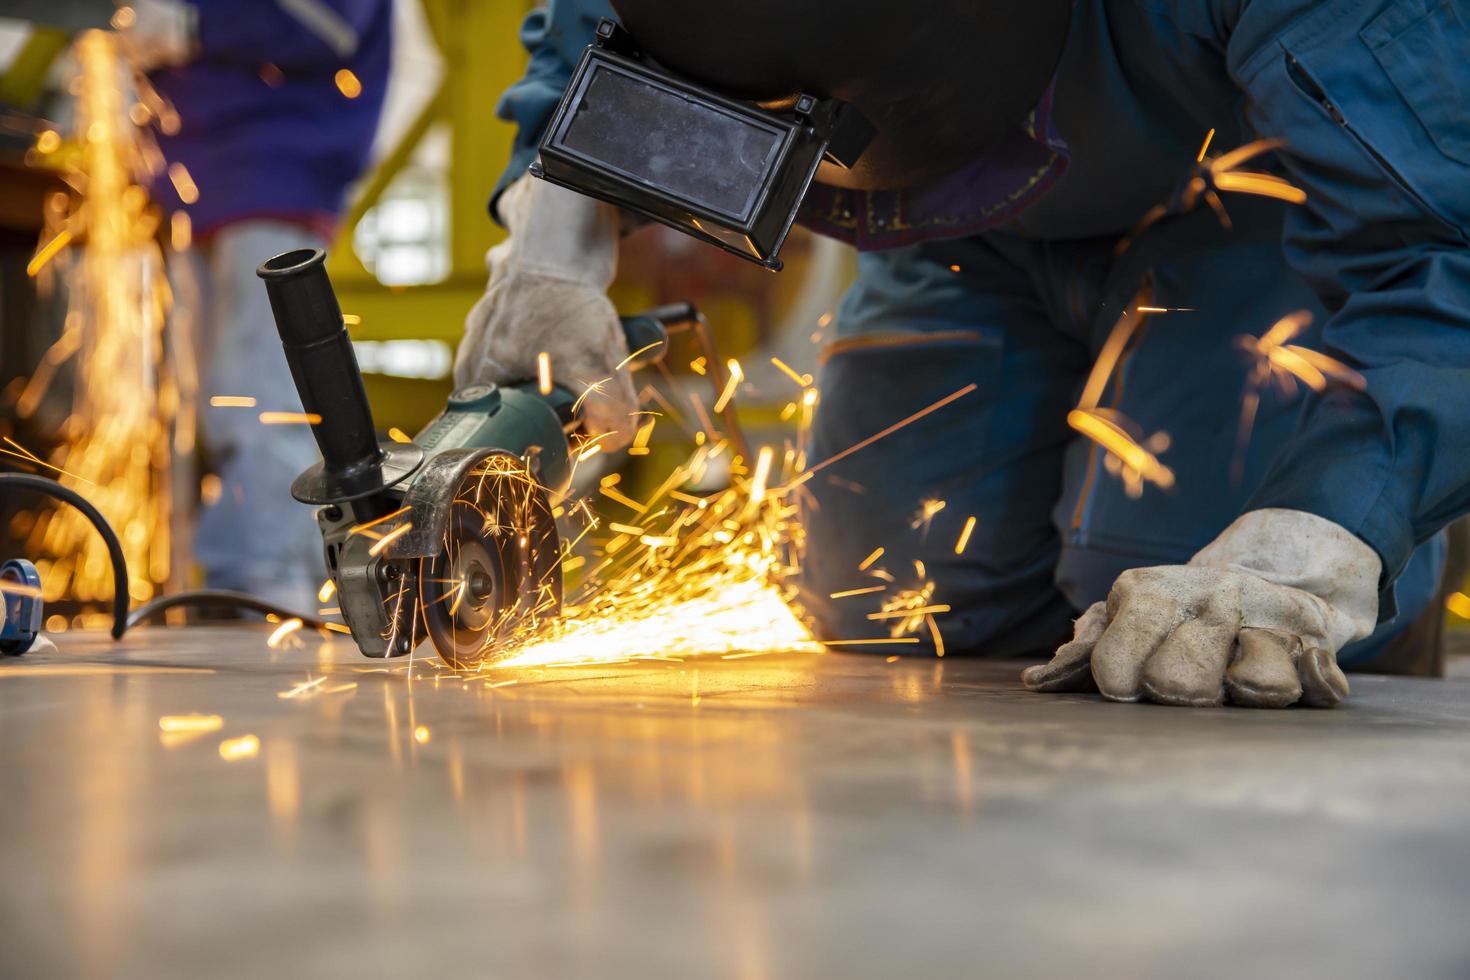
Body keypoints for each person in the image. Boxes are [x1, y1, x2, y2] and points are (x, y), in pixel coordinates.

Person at [457, 0, 1470, 707]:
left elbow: (1444, 259)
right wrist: (555, 235)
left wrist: (1322, 539)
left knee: (1189, 623)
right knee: (885, 594)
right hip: (959, 232)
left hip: (1253, 209)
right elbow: (619, 23)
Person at [114, 0, 391, 611]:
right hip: (193, 182)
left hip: (274, 170)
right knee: (196, 399)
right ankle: (223, 582)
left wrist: (198, 27)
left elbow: (330, 20)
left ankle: (263, 586)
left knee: (258, 391)